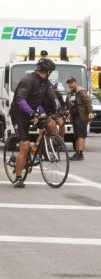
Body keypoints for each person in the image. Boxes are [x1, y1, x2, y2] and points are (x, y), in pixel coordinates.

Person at [9, 58, 59, 187]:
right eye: (51, 71)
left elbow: (42, 101)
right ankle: (19, 177)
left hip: (32, 111)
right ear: (48, 71)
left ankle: (40, 147)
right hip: (19, 113)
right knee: (25, 146)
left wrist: (50, 112)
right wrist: (32, 112)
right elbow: (20, 100)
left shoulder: (45, 83)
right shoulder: (29, 80)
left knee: (50, 123)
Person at [65, 77, 94, 161]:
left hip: (81, 116)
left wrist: (90, 112)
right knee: (76, 135)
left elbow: (88, 102)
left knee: (81, 135)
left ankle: (80, 153)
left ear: (76, 83)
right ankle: (77, 152)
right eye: (69, 83)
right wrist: (67, 113)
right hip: (74, 116)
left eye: (72, 83)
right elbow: (68, 104)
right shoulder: (71, 93)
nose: (70, 85)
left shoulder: (81, 91)